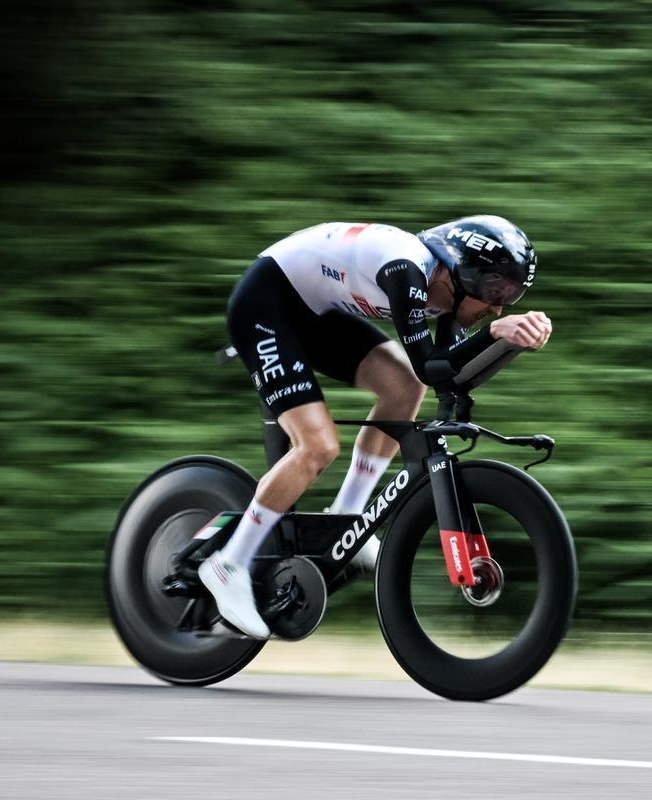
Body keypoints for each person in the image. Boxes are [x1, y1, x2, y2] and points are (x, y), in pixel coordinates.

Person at [198, 215, 552, 638]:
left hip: (312, 312)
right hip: (265, 305)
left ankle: (347, 517)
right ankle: (228, 564)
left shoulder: (450, 292)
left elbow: (446, 375)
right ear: (464, 273)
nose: (498, 307)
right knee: (317, 447)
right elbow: (431, 365)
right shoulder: (407, 269)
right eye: (497, 292)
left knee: (404, 386)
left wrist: (510, 342)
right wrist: (495, 332)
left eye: (510, 297)